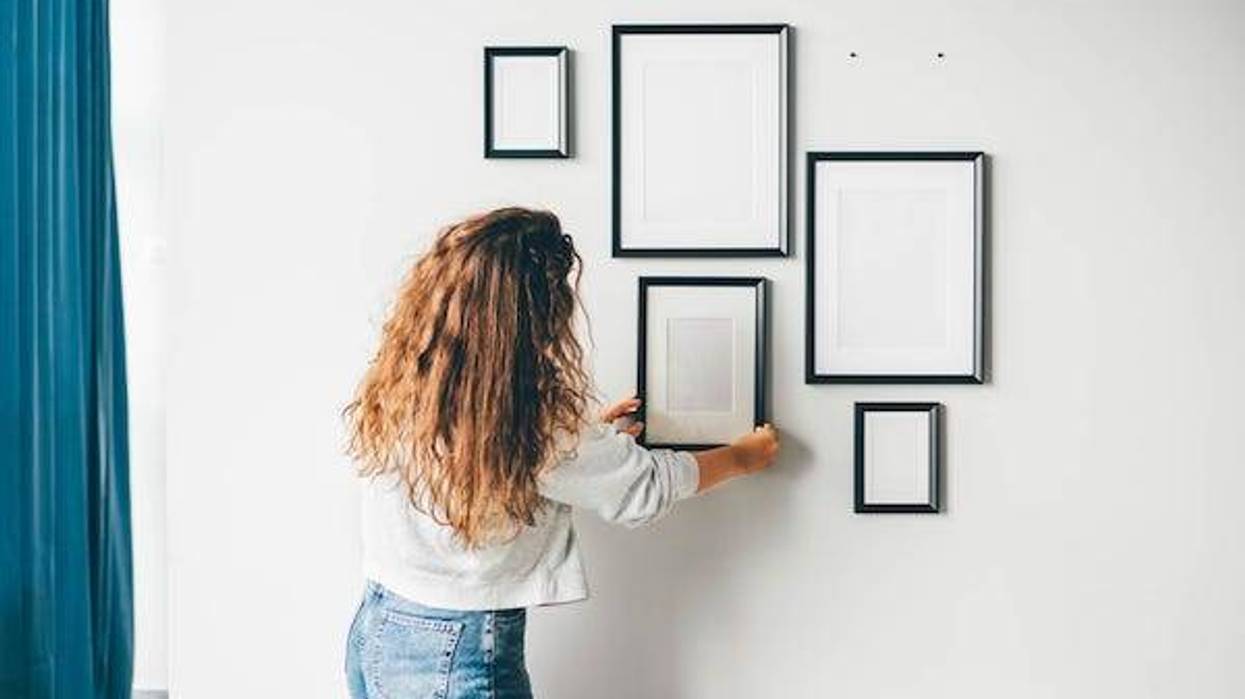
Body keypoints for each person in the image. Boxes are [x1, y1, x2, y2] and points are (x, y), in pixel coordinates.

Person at [342, 207, 780, 698]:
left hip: (379, 628)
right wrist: (745, 455)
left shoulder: (417, 374)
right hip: (458, 653)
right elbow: (643, 486)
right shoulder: (529, 418)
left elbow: (485, 462)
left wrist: (587, 439)